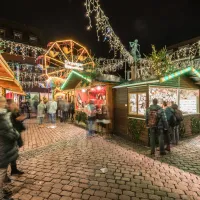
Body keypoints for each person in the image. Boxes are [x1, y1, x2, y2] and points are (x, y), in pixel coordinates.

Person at [0, 96, 19, 200]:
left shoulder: (3, 114)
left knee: (2, 171)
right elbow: (7, 131)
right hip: (2, 149)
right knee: (1, 172)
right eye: (3, 102)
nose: (5, 104)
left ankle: (2, 191)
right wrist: (16, 135)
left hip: (4, 148)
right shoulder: (1, 116)